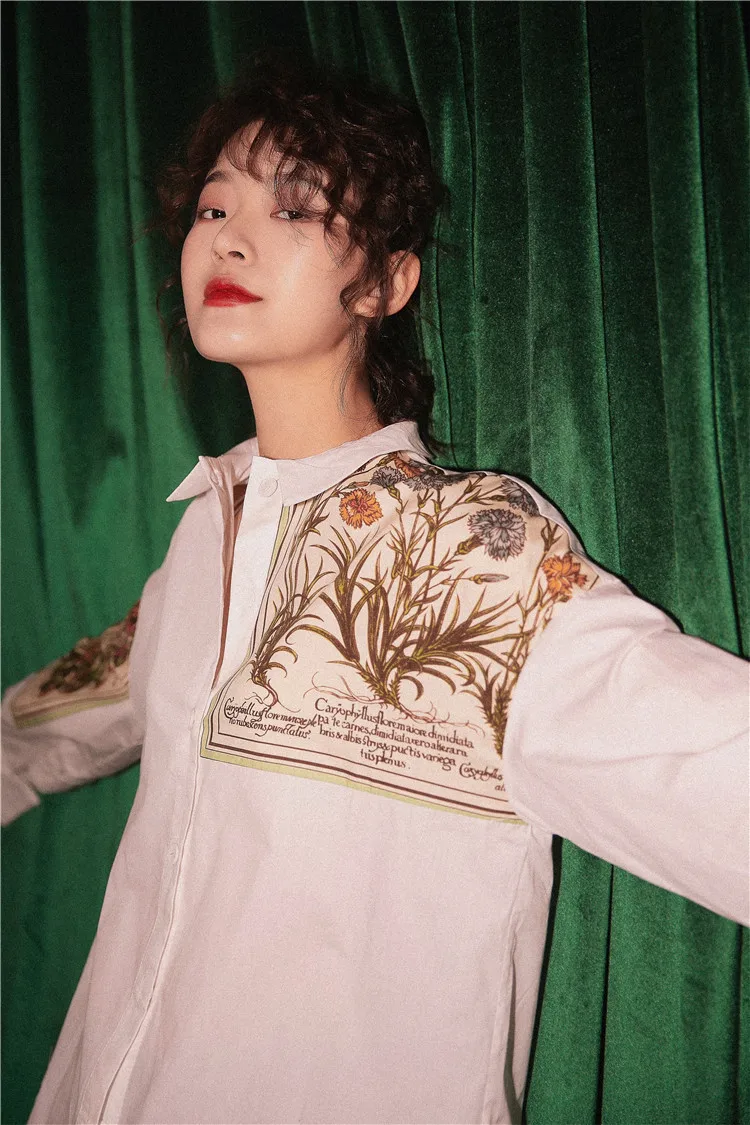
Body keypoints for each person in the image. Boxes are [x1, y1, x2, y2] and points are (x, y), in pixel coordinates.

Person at [2, 57, 747, 1125]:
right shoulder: (201, 547)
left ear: (389, 281)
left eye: (294, 208)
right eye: (214, 206)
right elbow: (59, 718)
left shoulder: (472, 554)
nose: (230, 239)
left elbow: (702, 759)